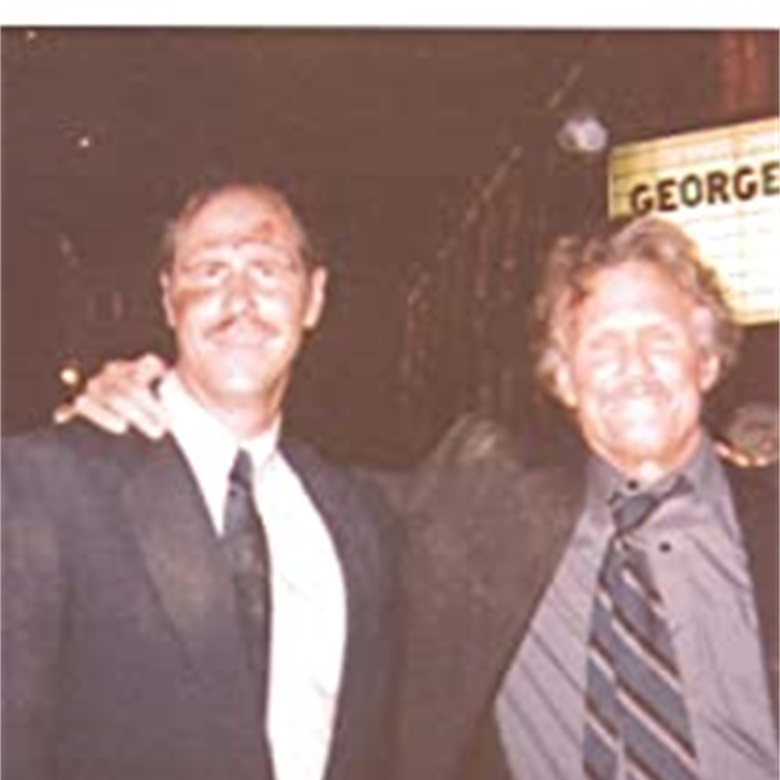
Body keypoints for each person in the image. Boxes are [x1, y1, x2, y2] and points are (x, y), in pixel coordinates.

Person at [53, 215, 779, 780]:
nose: (633, 367)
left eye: (660, 338)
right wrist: (152, 409)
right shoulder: (487, 502)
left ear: (707, 358)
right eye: (602, 344)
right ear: (563, 377)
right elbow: (280, 484)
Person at [2, 179, 403, 780]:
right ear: (169, 300)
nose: (239, 300)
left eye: (267, 269)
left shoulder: (363, 518)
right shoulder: (45, 484)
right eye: (209, 270)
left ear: (314, 298)